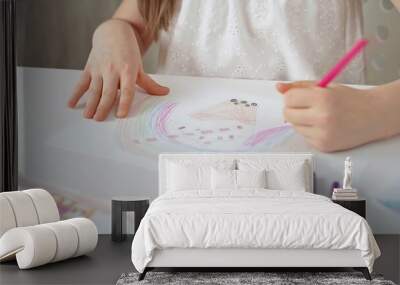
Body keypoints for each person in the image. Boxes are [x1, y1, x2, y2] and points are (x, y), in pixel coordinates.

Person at [68, 0, 400, 152]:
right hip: (180, 165)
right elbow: (129, 24)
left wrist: (380, 111)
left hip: (315, 161)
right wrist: (112, 34)